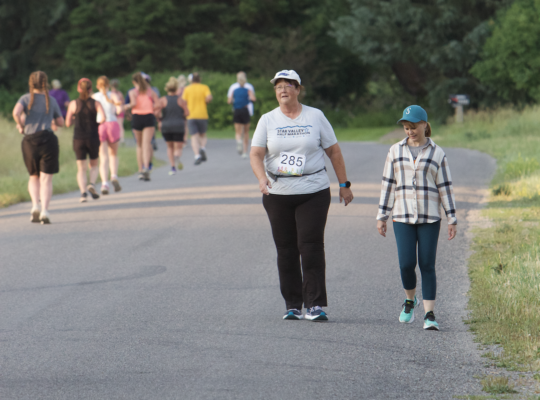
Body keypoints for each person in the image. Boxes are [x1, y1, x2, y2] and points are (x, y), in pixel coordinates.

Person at [250, 70, 354, 322]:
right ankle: (293, 305)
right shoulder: (267, 120)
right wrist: (261, 178)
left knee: (311, 246)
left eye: (288, 85)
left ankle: (315, 304)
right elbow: (256, 154)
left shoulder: (315, 116)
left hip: (313, 190)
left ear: (298, 89)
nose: (283, 90)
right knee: (286, 249)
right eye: (278, 86)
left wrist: (344, 184)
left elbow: (334, 151)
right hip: (278, 193)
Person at [376, 105, 457, 331]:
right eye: (406, 127)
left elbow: (445, 187)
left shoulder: (437, 153)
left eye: (413, 127)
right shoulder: (395, 151)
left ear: (424, 125)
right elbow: (388, 184)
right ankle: (410, 300)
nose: (410, 131)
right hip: (401, 216)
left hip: (430, 217)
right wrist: (382, 216)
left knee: (427, 264)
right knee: (406, 264)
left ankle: (429, 315)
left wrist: (452, 218)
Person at [12, 71, 64, 224]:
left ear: (31, 83)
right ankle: (45, 211)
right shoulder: (51, 100)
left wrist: (21, 126)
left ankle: (35, 205)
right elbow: (61, 122)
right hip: (48, 140)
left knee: (33, 176)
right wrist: (52, 119)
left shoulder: (25, 98)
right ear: (45, 83)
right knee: (46, 179)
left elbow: (15, 112)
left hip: (30, 141)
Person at [65, 78, 106, 203]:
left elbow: (67, 123)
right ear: (90, 89)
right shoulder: (96, 103)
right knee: (94, 165)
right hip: (93, 137)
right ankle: (91, 184)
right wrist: (96, 123)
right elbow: (103, 118)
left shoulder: (73, 104)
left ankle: (83, 194)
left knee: (81, 168)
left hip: (79, 138)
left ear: (79, 88)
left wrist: (75, 119)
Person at [124, 72, 159, 181]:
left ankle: (140, 170)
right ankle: (146, 168)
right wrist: (151, 108)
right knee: (146, 144)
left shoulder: (132, 92)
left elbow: (133, 103)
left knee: (139, 146)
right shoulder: (150, 91)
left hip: (137, 117)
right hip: (148, 117)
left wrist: (126, 106)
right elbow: (158, 104)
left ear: (134, 82)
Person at [92, 76, 123, 194]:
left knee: (103, 156)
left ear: (97, 86)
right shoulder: (113, 95)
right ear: (108, 85)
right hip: (112, 124)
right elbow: (119, 110)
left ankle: (104, 184)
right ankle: (114, 176)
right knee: (113, 154)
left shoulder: (94, 97)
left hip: (100, 125)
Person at [158, 77, 189, 175]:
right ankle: (177, 156)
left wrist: (160, 119)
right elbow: (187, 113)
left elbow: (157, 112)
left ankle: (172, 167)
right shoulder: (181, 100)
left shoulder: (162, 100)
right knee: (178, 147)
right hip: (178, 125)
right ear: (176, 89)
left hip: (166, 126)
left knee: (169, 147)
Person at [182, 72, 212, 165]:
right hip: (202, 114)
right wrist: (206, 102)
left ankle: (197, 155)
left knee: (194, 136)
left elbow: (183, 101)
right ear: (200, 79)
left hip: (191, 115)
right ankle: (202, 148)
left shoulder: (187, 89)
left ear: (191, 80)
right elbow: (209, 98)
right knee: (203, 135)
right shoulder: (204, 87)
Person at [228, 71, 256, 158]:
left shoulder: (234, 89)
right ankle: (244, 152)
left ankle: (239, 140)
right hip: (245, 110)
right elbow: (253, 99)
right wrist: (248, 100)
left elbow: (229, 101)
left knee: (238, 131)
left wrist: (235, 101)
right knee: (246, 132)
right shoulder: (248, 89)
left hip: (237, 110)